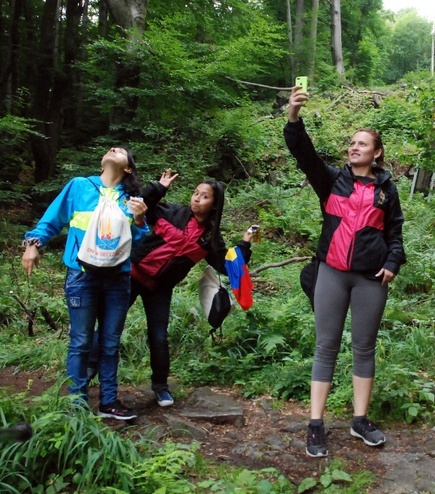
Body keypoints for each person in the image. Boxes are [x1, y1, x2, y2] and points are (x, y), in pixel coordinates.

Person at [284, 85, 407, 458]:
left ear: (377, 152)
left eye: (363, 144)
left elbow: (396, 233)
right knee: (326, 347)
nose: (354, 147)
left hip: (371, 279)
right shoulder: (331, 180)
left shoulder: (387, 189)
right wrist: (293, 116)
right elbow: (303, 153)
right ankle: (316, 425)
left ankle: (359, 420)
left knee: (364, 348)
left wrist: (391, 264)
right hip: (331, 273)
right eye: (351, 143)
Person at [91, 170, 256, 407]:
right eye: (196, 193)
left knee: (158, 337)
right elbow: (139, 205)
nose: (197, 198)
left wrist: (244, 243)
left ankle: (160, 387)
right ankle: (86, 374)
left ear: (215, 204)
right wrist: (158, 187)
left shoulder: (209, 239)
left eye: (205, 196)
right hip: (132, 276)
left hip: (160, 289)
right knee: (108, 326)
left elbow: (228, 266)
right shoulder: (170, 212)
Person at [21, 147, 149, 420]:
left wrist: (139, 219)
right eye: (111, 148)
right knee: (80, 342)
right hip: (81, 276)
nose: (113, 149)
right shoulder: (79, 186)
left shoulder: (131, 199)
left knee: (111, 343)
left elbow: (136, 243)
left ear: (127, 168)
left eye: (121, 151)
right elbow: (52, 220)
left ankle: (108, 402)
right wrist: (33, 244)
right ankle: (77, 403)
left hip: (118, 279)